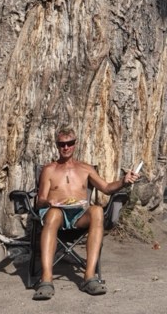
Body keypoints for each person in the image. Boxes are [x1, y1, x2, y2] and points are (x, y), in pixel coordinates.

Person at [32, 125, 139, 301]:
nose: (65, 147)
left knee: (97, 210)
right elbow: (40, 199)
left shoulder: (85, 168)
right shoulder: (49, 169)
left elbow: (105, 187)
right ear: (57, 145)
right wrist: (49, 202)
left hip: (78, 215)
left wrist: (124, 181)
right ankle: (46, 280)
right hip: (55, 213)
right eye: (61, 144)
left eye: (69, 143)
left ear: (75, 144)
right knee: (53, 214)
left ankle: (89, 278)